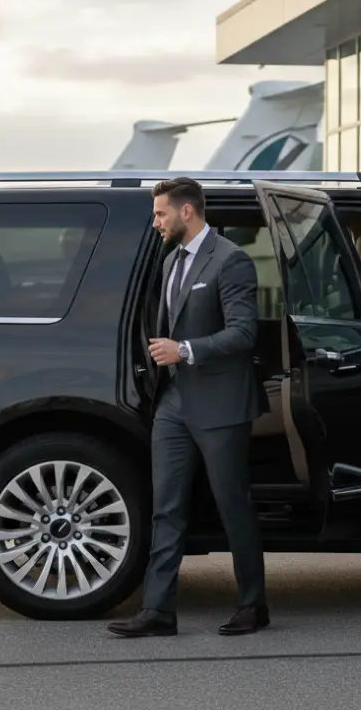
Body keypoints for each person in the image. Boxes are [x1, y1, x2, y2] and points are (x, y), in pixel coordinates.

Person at [107, 177, 269, 638]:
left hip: (220, 403)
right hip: (173, 402)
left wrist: (187, 350)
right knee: (166, 508)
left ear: (186, 212)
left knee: (232, 504)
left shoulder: (231, 260)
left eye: (160, 213)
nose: (155, 222)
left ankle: (253, 605)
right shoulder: (170, 261)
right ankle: (158, 611)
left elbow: (243, 334)